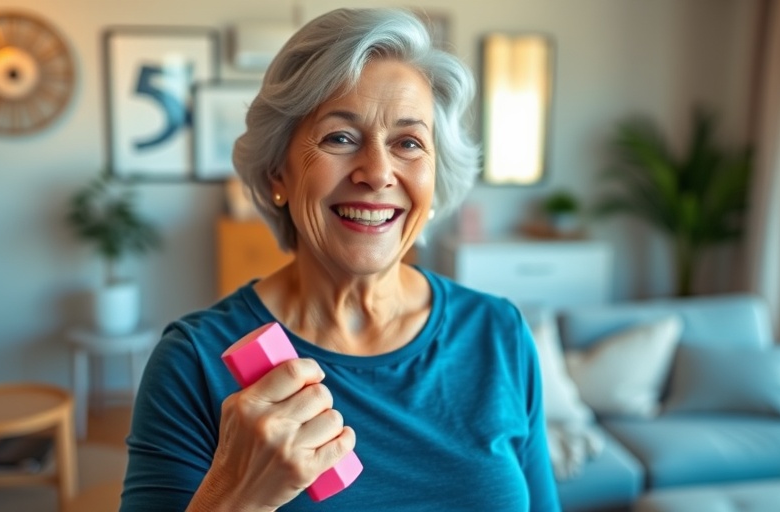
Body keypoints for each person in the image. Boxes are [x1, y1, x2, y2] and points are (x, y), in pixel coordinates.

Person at [121, 7, 560, 512]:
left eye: (409, 142)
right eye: (340, 137)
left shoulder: (499, 334)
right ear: (277, 175)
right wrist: (238, 494)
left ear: (435, 182)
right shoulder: (192, 363)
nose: (377, 172)